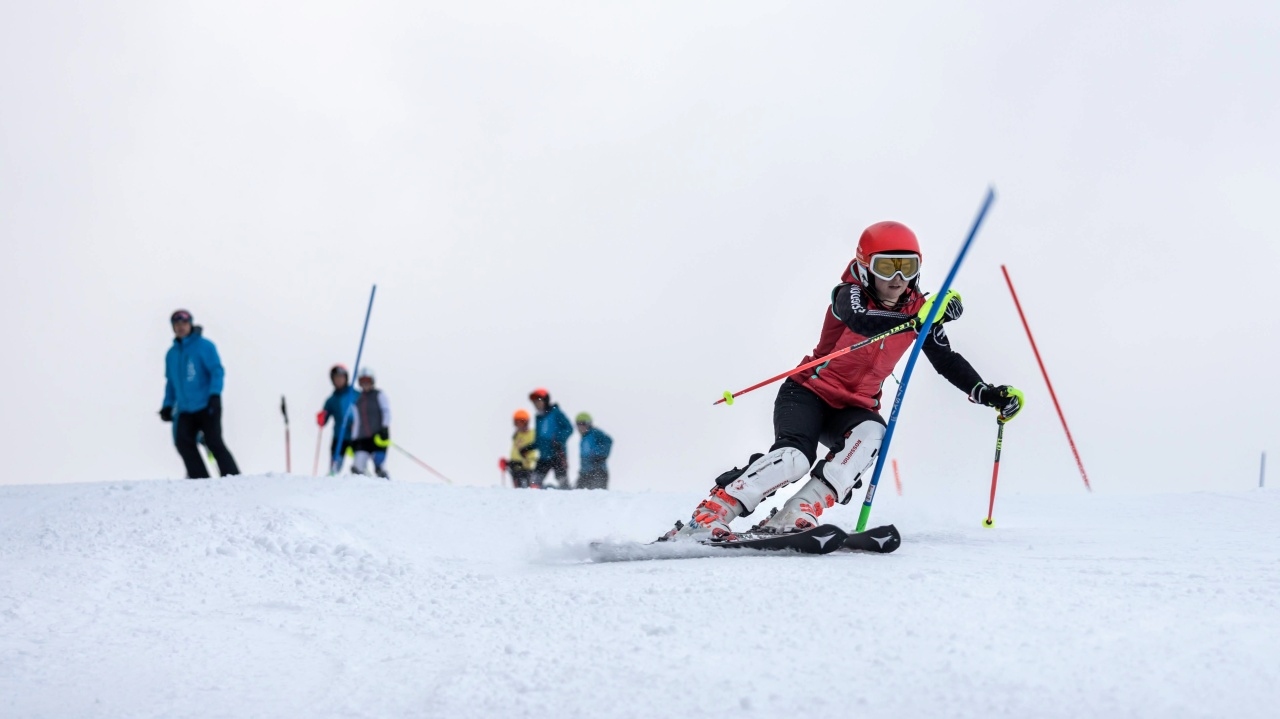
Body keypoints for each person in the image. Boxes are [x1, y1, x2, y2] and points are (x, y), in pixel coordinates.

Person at [663, 221, 1024, 541]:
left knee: (872, 435)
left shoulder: (920, 311)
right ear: (866, 268)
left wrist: (988, 394)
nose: (898, 278)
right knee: (794, 458)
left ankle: (795, 514)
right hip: (807, 393)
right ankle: (710, 515)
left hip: (854, 407)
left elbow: (947, 361)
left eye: (908, 266)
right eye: (886, 267)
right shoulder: (848, 294)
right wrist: (920, 319)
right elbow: (861, 319)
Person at [159, 309, 240, 478]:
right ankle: (200, 480)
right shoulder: (171, 354)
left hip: (207, 404)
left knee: (214, 441)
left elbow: (216, 371)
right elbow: (171, 382)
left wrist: (215, 394)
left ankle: (233, 478)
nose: (181, 327)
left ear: (190, 324)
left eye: (184, 323)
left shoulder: (204, 346)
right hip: (185, 409)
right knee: (183, 442)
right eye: (177, 324)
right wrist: (167, 405)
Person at [523, 388, 573, 489]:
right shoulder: (538, 418)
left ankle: (567, 496)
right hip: (544, 456)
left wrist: (558, 439)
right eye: (534, 402)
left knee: (563, 483)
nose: (536, 404)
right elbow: (539, 439)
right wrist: (529, 448)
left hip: (557, 453)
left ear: (545, 401)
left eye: (538, 401)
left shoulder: (556, 413)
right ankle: (535, 497)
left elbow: (568, 428)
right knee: (534, 482)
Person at [317, 364, 358, 475]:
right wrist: (321, 418)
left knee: (359, 464)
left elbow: (366, 413)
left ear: (346, 378)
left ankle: (368, 479)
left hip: (356, 436)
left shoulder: (356, 395)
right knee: (335, 466)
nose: (339, 380)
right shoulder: (331, 400)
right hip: (339, 436)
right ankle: (331, 480)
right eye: (336, 378)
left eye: (341, 377)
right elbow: (323, 420)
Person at [350, 367, 391, 478]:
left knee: (380, 466)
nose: (365, 383)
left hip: (377, 437)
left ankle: (386, 484)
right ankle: (361, 486)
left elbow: (386, 412)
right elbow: (356, 420)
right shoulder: (358, 399)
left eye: (367, 380)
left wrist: (385, 428)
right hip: (362, 439)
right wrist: (353, 439)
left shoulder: (379, 395)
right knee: (357, 467)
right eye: (362, 381)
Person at [575, 412, 613, 490]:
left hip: (598, 471)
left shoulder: (595, 433)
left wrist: (600, 455)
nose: (581, 426)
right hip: (585, 473)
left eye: (583, 423)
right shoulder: (584, 438)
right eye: (578, 424)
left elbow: (608, 441)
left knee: (597, 495)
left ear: (589, 424)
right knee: (578, 493)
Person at [505, 409, 538, 488]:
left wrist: (528, 462)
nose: (519, 425)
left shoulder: (532, 434)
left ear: (526, 422)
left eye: (521, 422)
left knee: (525, 489)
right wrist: (507, 463)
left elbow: (534, 450)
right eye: (516, 422)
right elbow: (515, 452)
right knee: (518, 488)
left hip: (526, 469)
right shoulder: (517, 435)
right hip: (515, 467)